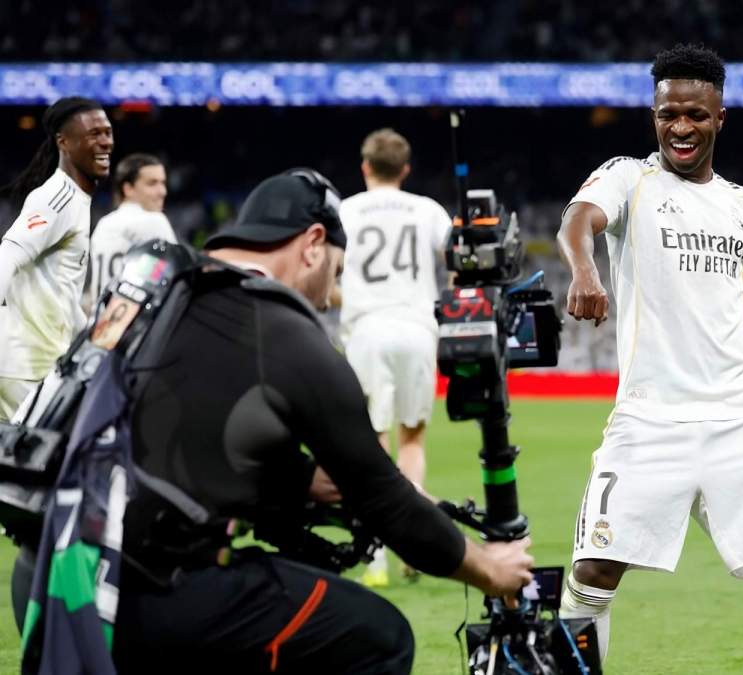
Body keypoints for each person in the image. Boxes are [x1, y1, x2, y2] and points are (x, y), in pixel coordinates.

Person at [108, 169, 532, 674]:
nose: (330, 295)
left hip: (57, 574)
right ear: (313, 243)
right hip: (151, 592)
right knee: (377, 636)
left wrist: (302, 480)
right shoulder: (281, 327)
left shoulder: (163, 290)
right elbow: (384, 499)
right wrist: (488, 567)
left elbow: (189, 431)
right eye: (335, 272)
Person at [555, 45, 743, 674]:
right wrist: (586, 270)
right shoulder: (629, 178)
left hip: (740, 417)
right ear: (654, 114)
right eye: (668, 113)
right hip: (650, 418)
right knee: (593, 569)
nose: (681, 127)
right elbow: (579, 220)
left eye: (695, 115)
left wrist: (737, 368)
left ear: (719, 117)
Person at [337, 129, 453, 587]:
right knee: (412, 443)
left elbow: (326, 274)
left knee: (371, 444)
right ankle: (416, 545)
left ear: (364, 167)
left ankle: (376, 559)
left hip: (366, 329)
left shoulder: (343, 211)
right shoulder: (428, 210)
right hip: (417, 328)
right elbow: (460, 259)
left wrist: (342, 298)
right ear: (405, 170)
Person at [0, 96, 113, 421]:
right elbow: (8, 255)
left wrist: (89, 337)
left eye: (107, 132)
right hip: (29, 366)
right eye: (94, 134)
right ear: (63, 142)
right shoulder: (58, 197)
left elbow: (60, 290)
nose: (105, 141)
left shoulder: (76, 199)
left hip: (36, 361)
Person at [87, 153, 176, 306]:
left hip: (102, 323)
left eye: (163, 183)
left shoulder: (103, 224)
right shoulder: (153, 220)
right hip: (136, 323)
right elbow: (176, 277)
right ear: (128, 189)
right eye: (152, 183)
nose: (162, 191)